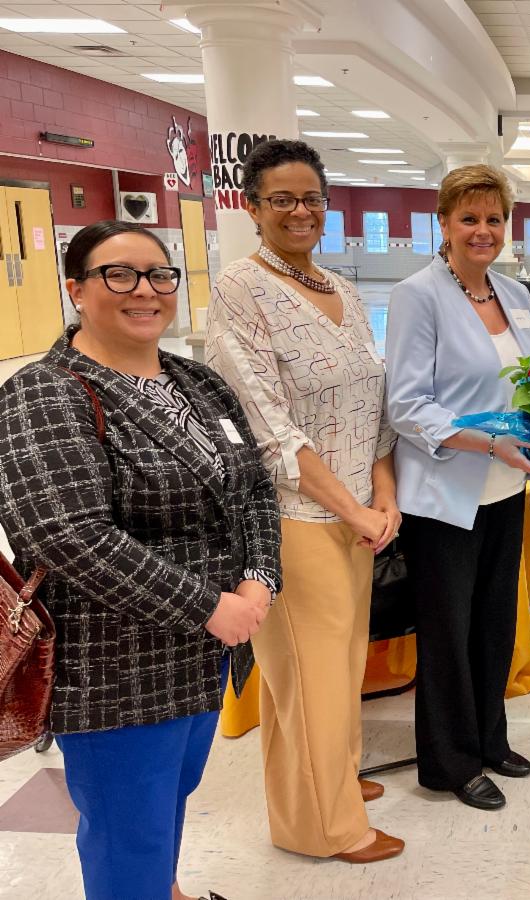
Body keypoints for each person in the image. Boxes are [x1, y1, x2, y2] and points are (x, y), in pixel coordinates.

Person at [0, 220, 281, 900]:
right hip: (115, 665)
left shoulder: (197, 382)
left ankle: (167, 888)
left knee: (167, 801)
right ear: (76, 289)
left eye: (159, 274)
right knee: (128, 829)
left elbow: (254, 486)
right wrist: (210, 606)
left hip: (208, 651)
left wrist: (259, 578)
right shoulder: (45, 392)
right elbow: (69, 535)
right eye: (118, 274)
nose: (145, 290)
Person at [205, 139, 403, 864]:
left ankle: (333, 782)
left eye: (311, 198)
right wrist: (355, 511)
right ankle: (326, 828)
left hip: (360, 516)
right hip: (291, 518)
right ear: (252, 207)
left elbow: (374, 400)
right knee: (308, 677)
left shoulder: (341, 288)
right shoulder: (240, 289)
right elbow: (266, 427)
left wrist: (383, 496)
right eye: (281, 199)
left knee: (338, 668)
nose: (299, 211)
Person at [386, 164, 530, 811]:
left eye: (494, 219)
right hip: (445, 494)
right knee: (449, 633)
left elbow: (528, 381)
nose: (483, 230)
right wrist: (485, 442)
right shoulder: (417, 295)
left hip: (506, 487)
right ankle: (450, 762)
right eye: (469, 218)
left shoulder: (515, 293)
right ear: (444, 224)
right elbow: (406, 404)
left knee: (495, 624)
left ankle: (489, 738)